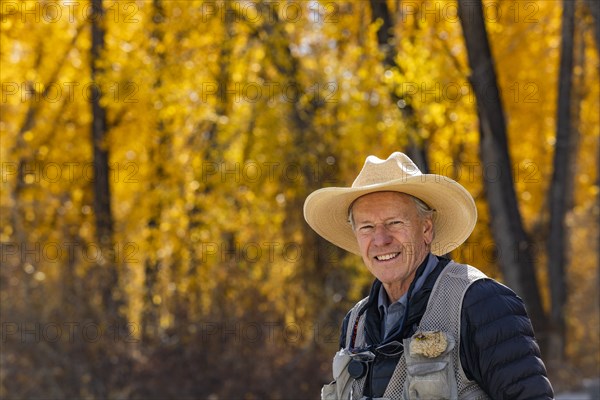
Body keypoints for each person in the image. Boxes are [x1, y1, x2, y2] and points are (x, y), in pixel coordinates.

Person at [303, 152, 554, 399]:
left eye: (394, 223)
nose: (381, 239)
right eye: (367, 227)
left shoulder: (483, 303)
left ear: (426, 229)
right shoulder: (355, 323)